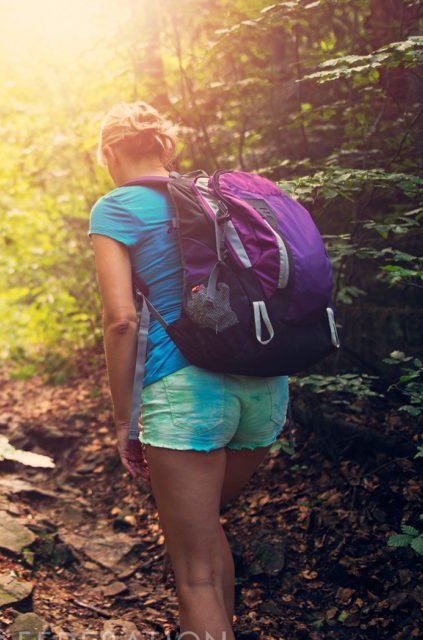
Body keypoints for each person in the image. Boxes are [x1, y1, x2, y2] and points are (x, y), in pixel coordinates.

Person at [88, 102, 289, 640]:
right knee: (205, 532)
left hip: (185, 396)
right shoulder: (215, 198)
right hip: (267, 385)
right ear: (166, 146)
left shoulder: (115, 207)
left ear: (108, 153)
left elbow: (121, 320)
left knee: (194, 574)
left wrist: (123, 421)